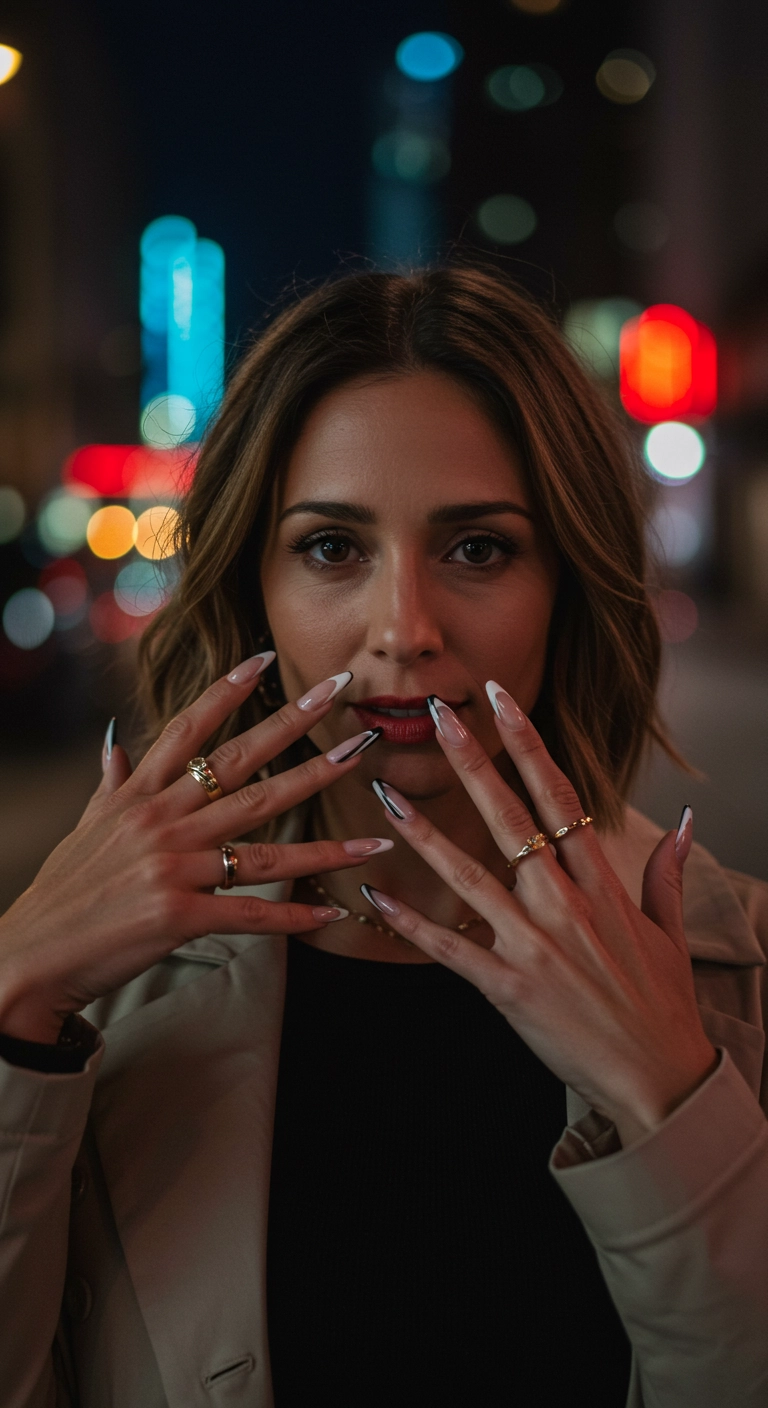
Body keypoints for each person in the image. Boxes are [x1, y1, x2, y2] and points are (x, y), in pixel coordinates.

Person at [0, 266, 766, 1408]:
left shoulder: (742, 970)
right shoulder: (96, 1000)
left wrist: (674, 1102)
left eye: (478, 549)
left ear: (570, 577)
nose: (403, 630)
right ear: (252, 582)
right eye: (330, 548)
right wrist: (12, 994)